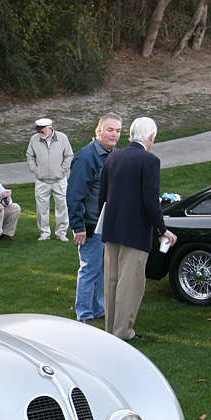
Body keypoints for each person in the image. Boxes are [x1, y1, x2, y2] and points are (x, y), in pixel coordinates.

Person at [98, 116, 176, 341]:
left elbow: (102, 196)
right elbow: (151, 202)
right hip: (135, 230)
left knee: (111, 281)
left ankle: (110, 330)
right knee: (129, 284)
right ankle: (123, 333)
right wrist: (162, 230)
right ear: (151, 136)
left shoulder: (113, 158)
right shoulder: (149, 161)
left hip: (112, 229)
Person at [66, 113, 123, 323]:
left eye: (118, 131)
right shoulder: (87, 157)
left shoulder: (114, 154)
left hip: (107, 223)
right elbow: (74, 194)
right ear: (98, 131)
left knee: (102, 268)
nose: (114, 135)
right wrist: (78, 226)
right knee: (90, 268)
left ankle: (99, 309)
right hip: (90, 224)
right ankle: (85, 314)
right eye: (110, 130)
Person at [26, 118, 73, 241]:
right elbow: (30, 155)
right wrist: (35, 170)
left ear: (50, 129)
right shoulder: (34, 140)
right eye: (38, 131)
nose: (39, 134)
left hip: (59, 179)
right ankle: (44, 233)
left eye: (42, 131)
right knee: (42, 208)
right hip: (42, 180)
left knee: (62, 206)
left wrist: (63, 170)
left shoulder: (62, 138)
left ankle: (61, 232)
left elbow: (69, 155)